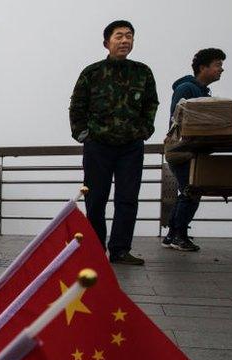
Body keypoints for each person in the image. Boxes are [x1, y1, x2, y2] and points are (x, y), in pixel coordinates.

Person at [69, 20, 158, 266]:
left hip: (131, 145)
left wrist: (145, 129)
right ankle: (96, 248)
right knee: (95, 198)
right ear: (107, 42)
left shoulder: (142, 72)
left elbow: (151, 103)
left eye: (129, 36)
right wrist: (82, 134)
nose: (125, 40)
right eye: (119, 36)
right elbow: (77, 105)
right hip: (98, 145)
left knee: (127, 198)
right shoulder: (92, 72)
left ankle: (120, 250)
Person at [163, 48, 226, 252]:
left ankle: (173, 234)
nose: (221, 69)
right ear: (202, 67)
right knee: (191, 190)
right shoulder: (186, 89)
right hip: (182, 150)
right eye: (217, 64)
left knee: (189, 190)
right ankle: (178, 235)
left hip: (191, 150)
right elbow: (179, 118)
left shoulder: (201, 91)